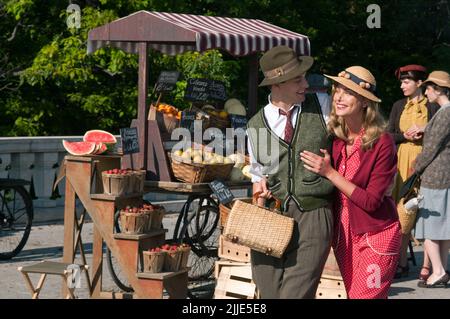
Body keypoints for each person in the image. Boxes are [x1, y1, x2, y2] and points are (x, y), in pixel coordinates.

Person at [300, 66, 401, 299]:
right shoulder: (336, 140)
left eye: (348, 92)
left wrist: (330, 173)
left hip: (376, 236)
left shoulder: (382, 142)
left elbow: (372, 201)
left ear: (365, 102)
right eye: (338, 90)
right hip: (344, 236)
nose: (338, 97)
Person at [246, 45, 334, 298]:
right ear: (277, 84)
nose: (305, 84)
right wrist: (259, 191)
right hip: (272, 214)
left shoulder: (323, 106)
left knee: (296, 293)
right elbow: (257, 175)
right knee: (268, 289)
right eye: (298, 79)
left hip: (314, 214)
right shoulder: (255, 125)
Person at [387, 65, 439, 280]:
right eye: (401, 82)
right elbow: (389, 135)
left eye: (406, 82)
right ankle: (401, 264)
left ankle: (429, 266)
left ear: (419, 83)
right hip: (402, 163)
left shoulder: (434, 106)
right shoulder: (399, 105)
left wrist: (424, 134)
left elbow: (442, 136)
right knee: (402, 214)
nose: (402, 86)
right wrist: (405, 136)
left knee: (428, 214)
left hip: (427, 163)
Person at [414, 70, 450, 288]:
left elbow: (432, 147)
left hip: (436, 176)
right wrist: (424, 128)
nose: (426, 91)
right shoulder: (445, 111)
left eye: (428, 88)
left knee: (429, 227)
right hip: (444, 176)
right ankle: (442, 269)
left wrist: (416, 167)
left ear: (438, 90)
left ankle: (437, 271)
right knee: (443, 228)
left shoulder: (445, 112)